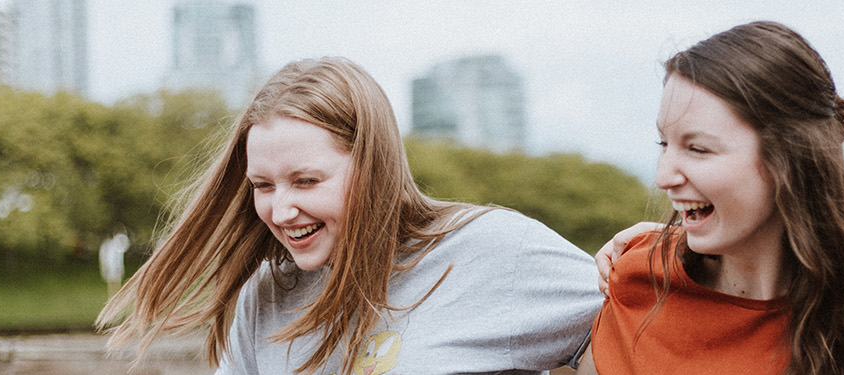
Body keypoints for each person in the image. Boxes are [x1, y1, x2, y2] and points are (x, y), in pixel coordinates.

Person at [95, 57, 602, 374]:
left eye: (306, 181)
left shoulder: (495, 252)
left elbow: (638, 327)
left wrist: (640, 258)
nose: (280, 210)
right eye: (263, 186)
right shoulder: (264, 297)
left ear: (372, 167)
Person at [582, 21, 844, 375]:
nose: (664, 178)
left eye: (698, 149)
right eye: (664, 144)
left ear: (790, 158)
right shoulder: (638, 274)